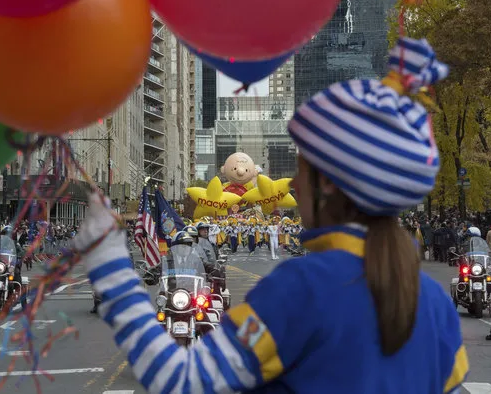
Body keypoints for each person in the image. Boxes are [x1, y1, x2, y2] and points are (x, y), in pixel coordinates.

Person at [77, 38, 467, 393]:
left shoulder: (300, 289)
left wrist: (113, 275)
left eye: (302, 170)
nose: (294, 184)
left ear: (328, 183)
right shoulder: (434, 302)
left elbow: (181, 378)